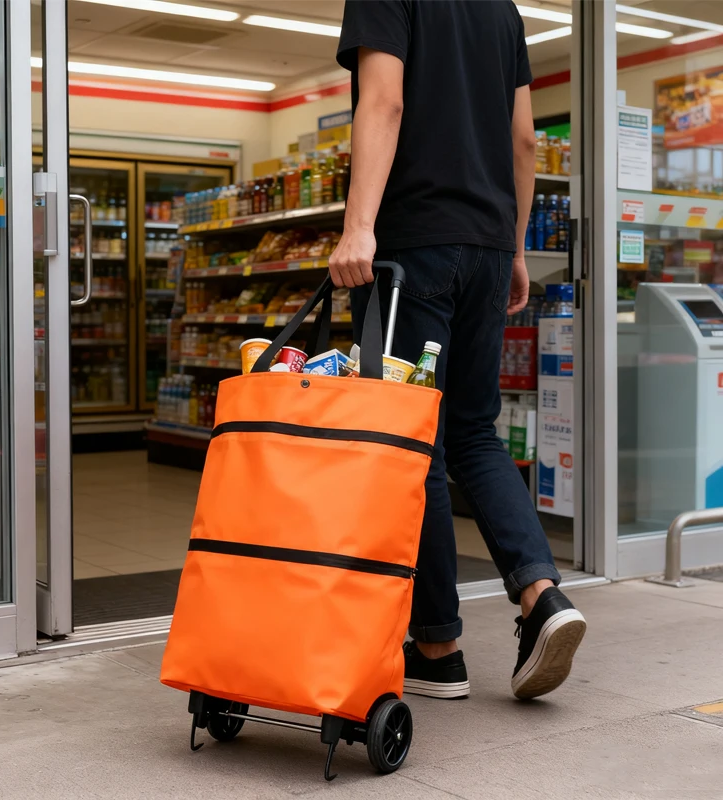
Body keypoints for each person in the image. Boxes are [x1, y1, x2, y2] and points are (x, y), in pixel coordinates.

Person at [329, 0, 586, 700]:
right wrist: (515, 248)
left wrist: (358, 227)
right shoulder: (500, 11)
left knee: (416, 447)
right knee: (474, 430)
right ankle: (541, 595)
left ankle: (437, 646)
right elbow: (524, 141)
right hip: (487, 245)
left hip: (415, 250)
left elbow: (383, 103)